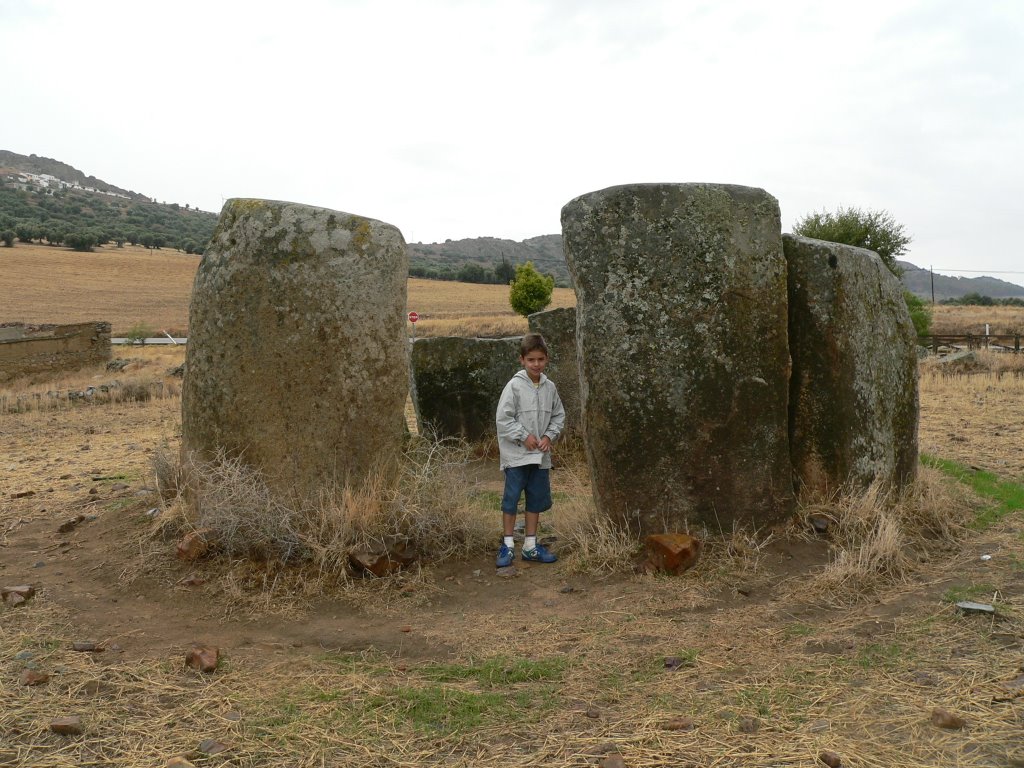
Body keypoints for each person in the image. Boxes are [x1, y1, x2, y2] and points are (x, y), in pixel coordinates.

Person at [494, 332, 565, 566]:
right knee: (512, 499)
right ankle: (507, 545)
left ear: (547, 360)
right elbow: (503, 419)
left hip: (540, 457)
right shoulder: (514, 386)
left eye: (540, 359)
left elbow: (558, 416)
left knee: (535, 500)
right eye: (531, 360)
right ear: (522, 360)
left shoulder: (550, 387)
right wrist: (523, 436)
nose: (536, 364)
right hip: (516, 456)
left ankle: (531, 546)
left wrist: (548, 436)